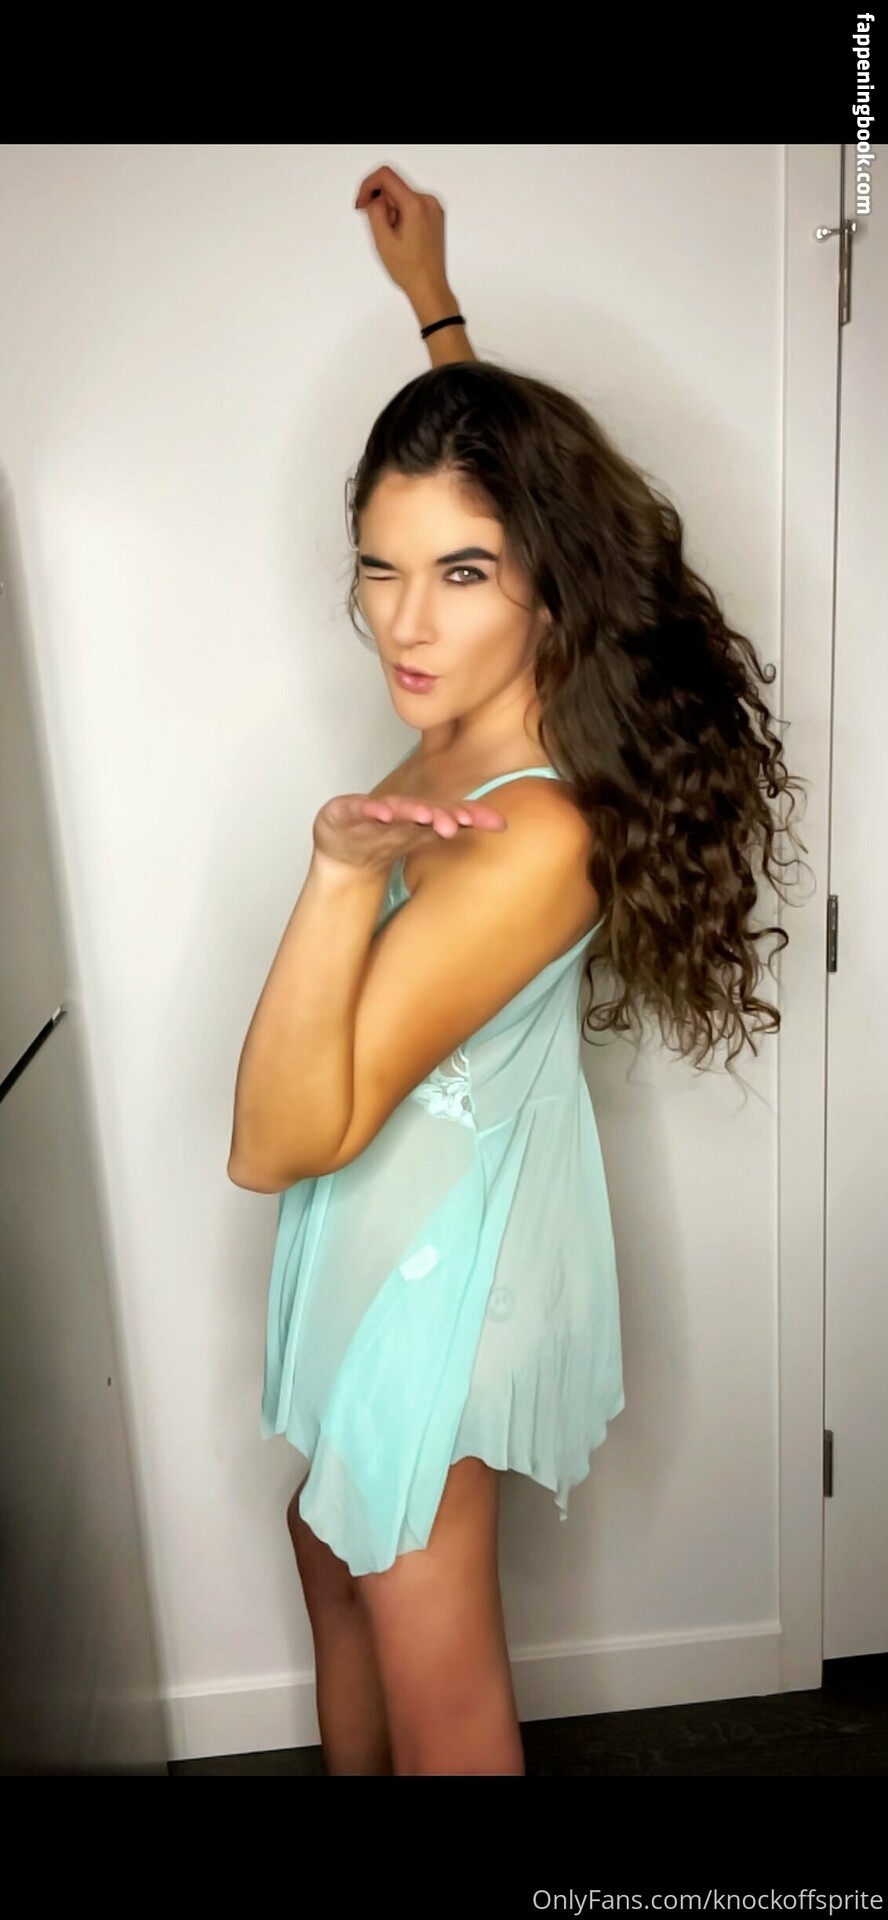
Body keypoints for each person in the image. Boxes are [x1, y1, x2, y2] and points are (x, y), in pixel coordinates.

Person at [228, 165, 807, 1777]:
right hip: (392, 1227)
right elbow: (480, 494)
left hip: (437, 1264)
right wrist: (435, 301)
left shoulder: (531, 836)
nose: (405, 624)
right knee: (328, 1555)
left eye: (461, 576)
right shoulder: (482, 687)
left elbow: (276, 1141)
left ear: (546, 580)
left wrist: (337, 877)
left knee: (447, 1691)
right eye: (378, 567)